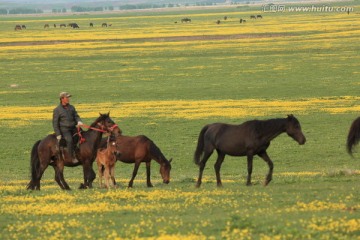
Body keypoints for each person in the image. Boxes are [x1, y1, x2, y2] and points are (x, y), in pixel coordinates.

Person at [53, 92, 84, 162]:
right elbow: (55, 123)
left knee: (82, 135)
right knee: (69, 140)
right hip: (64, 130)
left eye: (68, 97)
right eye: (67, 97)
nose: (68, 99)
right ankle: (71, 157)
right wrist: (58, 134)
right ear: (62, 99)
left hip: (73, 128)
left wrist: (79, 121)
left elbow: (76, 116)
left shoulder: (71, 107)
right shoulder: (57, 110)